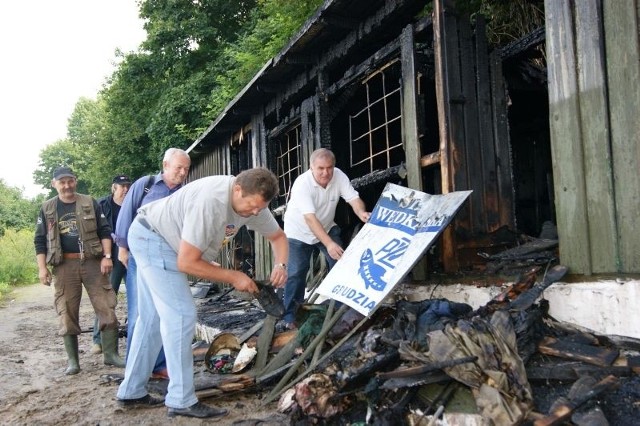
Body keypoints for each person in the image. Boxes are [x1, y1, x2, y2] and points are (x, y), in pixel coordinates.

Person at [116, 168, 289, 418]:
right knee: (181, 317)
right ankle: (181, 399)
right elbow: (186, 263)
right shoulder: (212, 201)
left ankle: (131, 391)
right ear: (237, 189)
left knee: (151, 319)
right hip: (154, 239)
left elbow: (278, 237)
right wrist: (233, 276)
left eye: (259, 209)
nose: (254, 213)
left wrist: (280, 265)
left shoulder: (253, 204)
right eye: (251, 206)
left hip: (156, 236)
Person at [34, 166, 125, 375]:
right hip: (64, 265)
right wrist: (42, 268)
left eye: (70, 181)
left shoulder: (89, 202)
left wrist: (107, 257)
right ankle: (73, 362)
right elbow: (39, 240)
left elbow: (105, 231)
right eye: (62, 182)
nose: (66, 186)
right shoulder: (47, 208)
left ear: (75, 181)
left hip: (93, 262)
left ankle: (110, 355)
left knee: (106, 306)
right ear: (54, 184)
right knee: (66, 310)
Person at [114, 148, 191, 379]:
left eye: (186, 169)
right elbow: (126, 214)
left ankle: (158, 366)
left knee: (166, 312)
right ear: (165, 165)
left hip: (169, 258)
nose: (183, 172)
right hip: (140, 256)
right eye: (178, 167)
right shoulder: (145, 185)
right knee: (140, 312)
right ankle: (135, 369)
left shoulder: (185, 192)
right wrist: (123, 248)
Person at [282, 148, 370, 327]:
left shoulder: (339, 176)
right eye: (321, 168)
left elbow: (353, 198)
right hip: (298, 232)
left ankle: (339, 309)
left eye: (329, 168)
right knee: (296, 274)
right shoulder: (302, 184)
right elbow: (310, 219)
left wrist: (361, 213)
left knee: (341, 264)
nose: (326, 173)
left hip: (327, 226)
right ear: (311, 167)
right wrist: (328, 243)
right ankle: (291, 317)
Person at [90, 174, 132, 354]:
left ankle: (134, 335)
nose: (125, 189)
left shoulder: (135, 204)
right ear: (113, 188)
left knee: (136, 297)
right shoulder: (101, 205)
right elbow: (94, 230)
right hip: (111, 259)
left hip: (132, 257)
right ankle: (98, 340)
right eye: (121, 186)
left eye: (127, 186)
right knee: (107, 299)